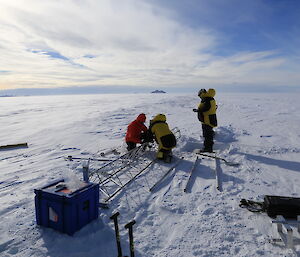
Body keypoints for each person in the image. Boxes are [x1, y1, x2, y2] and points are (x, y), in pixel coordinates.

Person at [193, 88, 217, 153]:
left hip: (207, 120)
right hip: (208, 119)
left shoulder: (207, 99)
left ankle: (207, 148)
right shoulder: (211, 99)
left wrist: (198, 110)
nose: (199, 96)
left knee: (207, 135)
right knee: (208, 134)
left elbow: (206, 108)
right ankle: (208, 147)